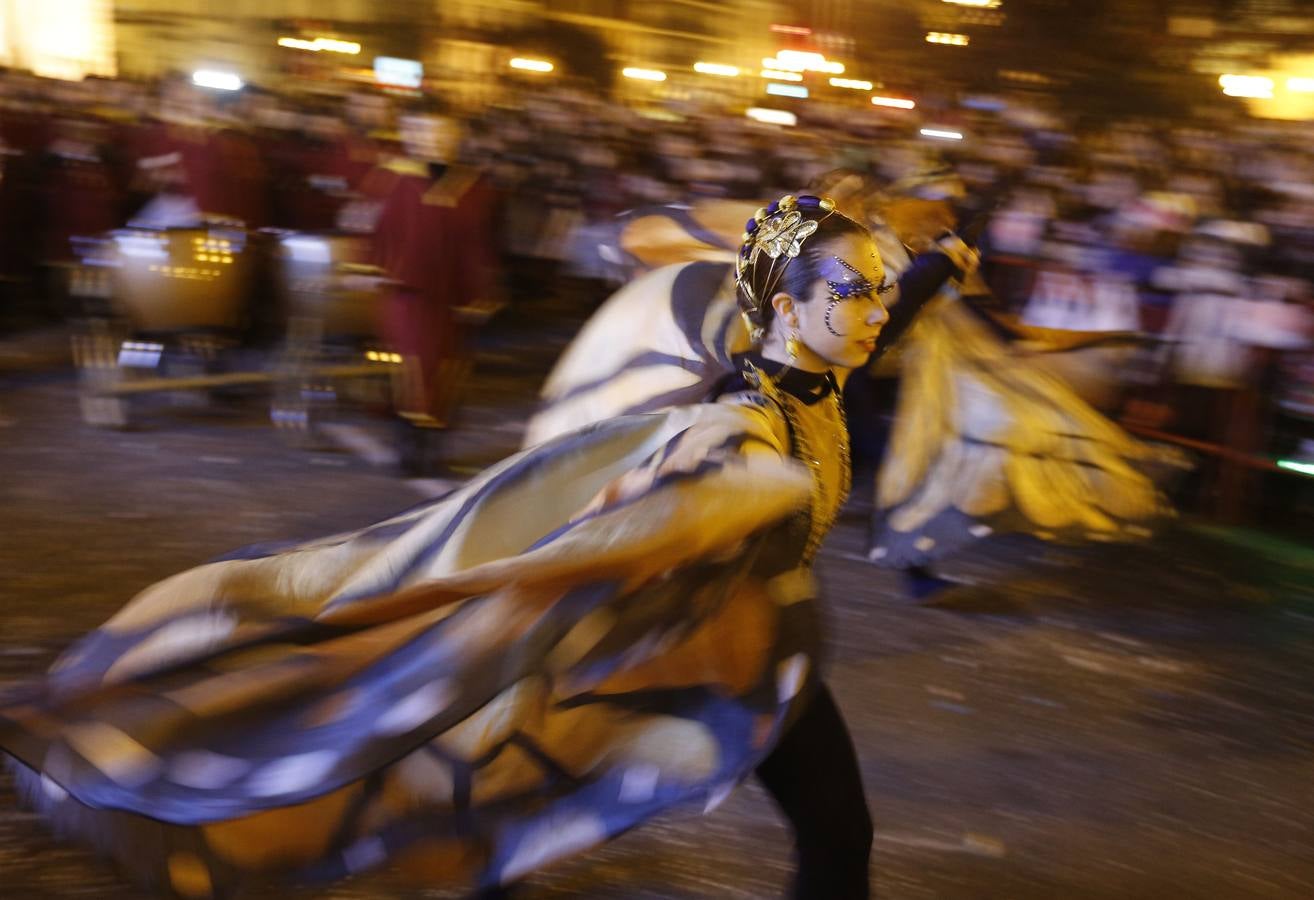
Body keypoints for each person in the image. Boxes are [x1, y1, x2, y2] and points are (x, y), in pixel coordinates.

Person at [1, 194, 881, 900]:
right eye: (854, 291)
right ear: (783, 306)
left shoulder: (816, 389)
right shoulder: (741, 423)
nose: (875, 310)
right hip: (647, 645)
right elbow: (666, 503)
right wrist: (729, 493)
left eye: (879, 289)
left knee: (835, 834)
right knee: (511, 807)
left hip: (754, 652)